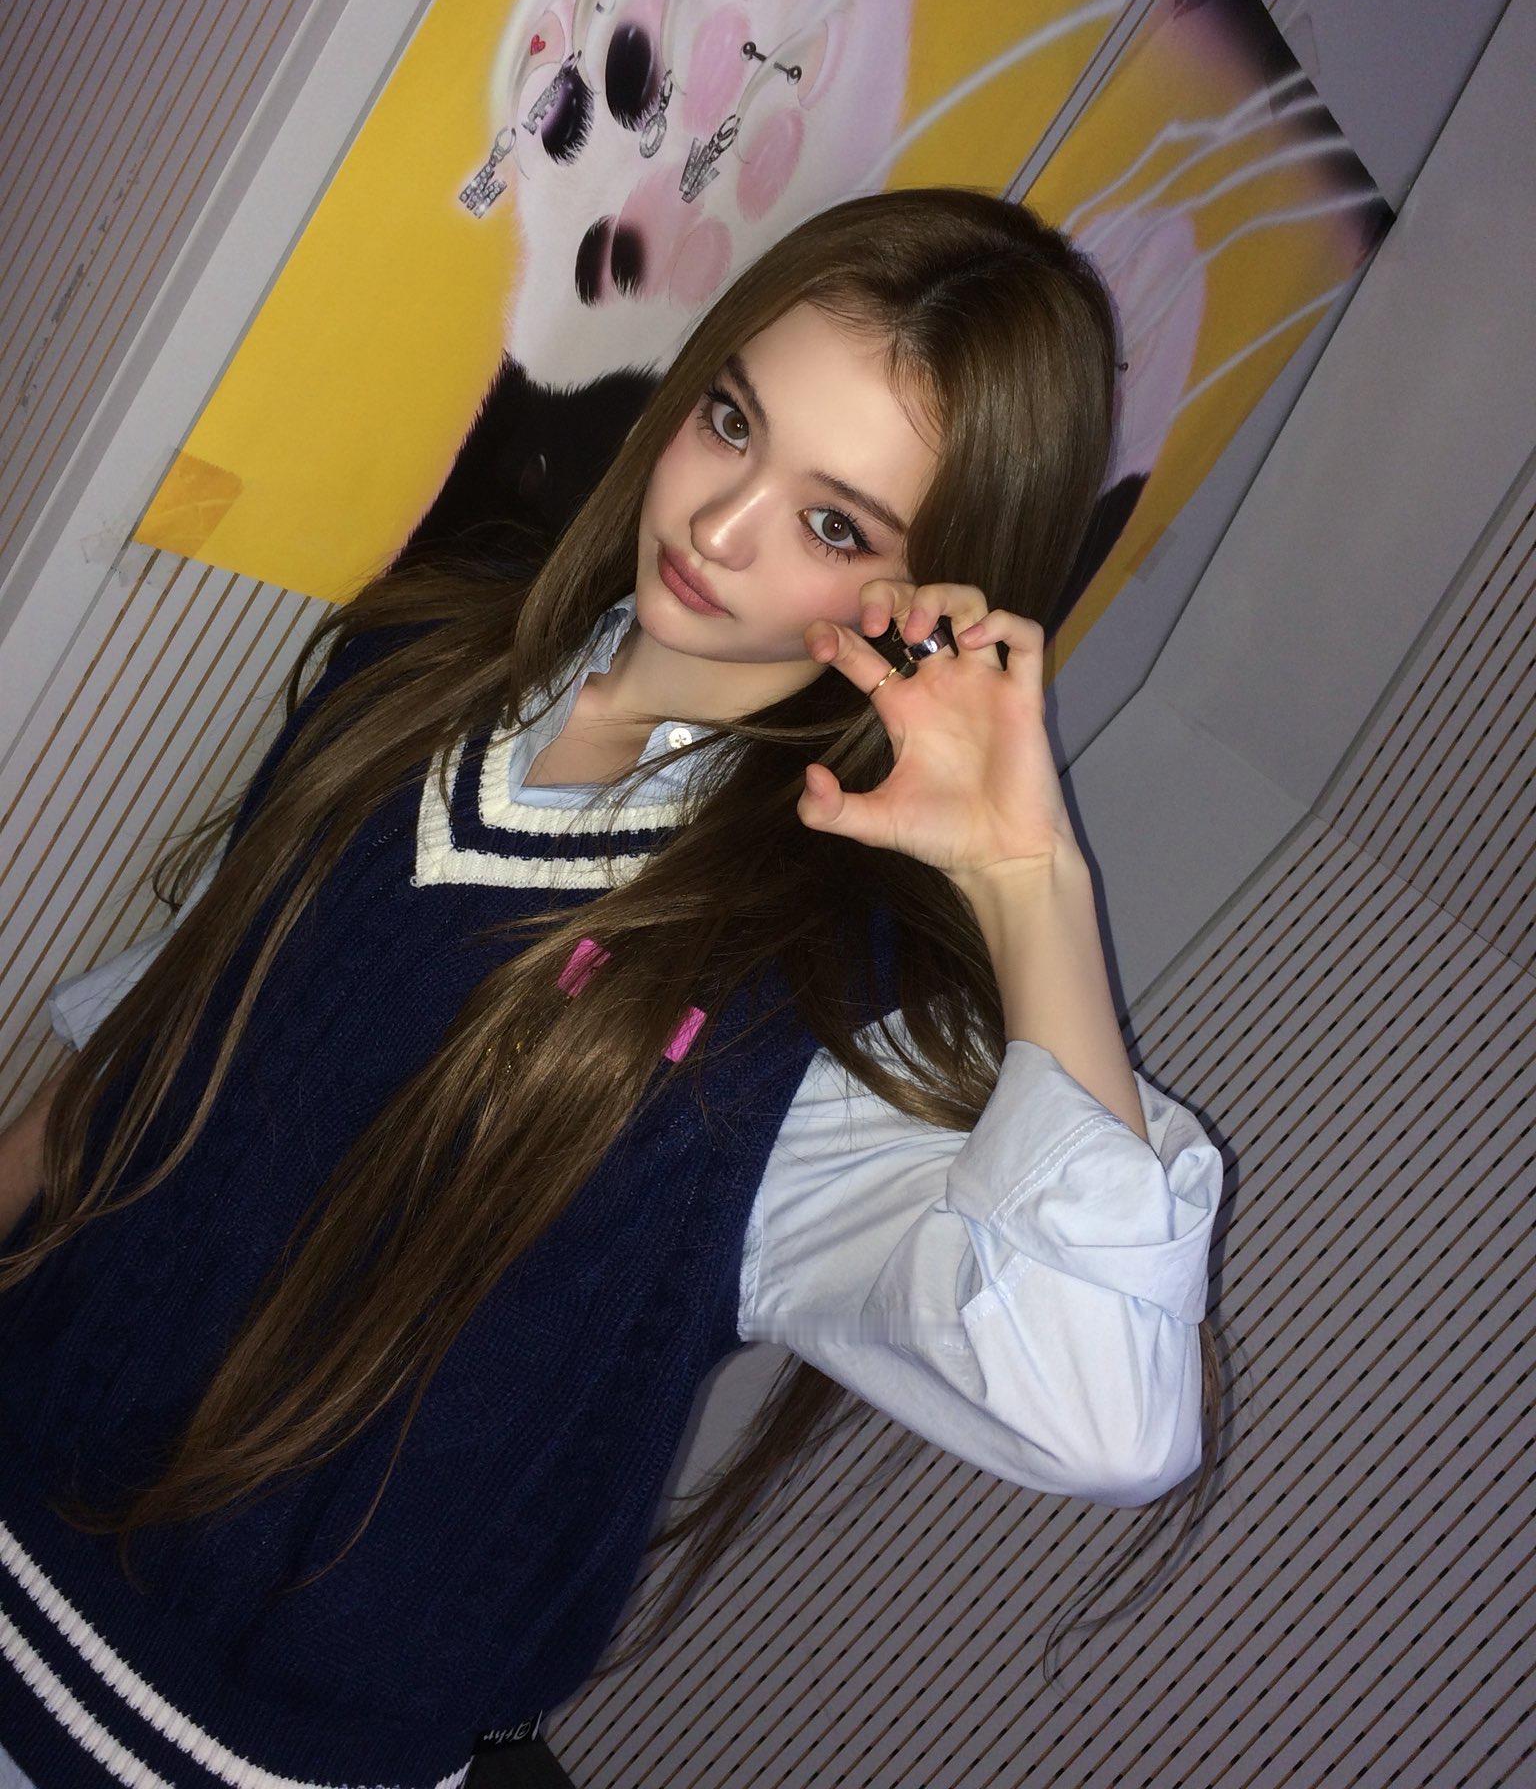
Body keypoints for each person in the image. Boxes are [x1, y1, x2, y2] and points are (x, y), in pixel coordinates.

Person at [0, 187, 1225, 1788]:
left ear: (934, 595)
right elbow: (148, 1054)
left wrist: (1027, 879)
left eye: (836, 526)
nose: (718, 528)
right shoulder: (421, 665)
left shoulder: (823, 1008)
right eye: (732, 422)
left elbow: (1105, 1410)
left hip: (201, 1748)